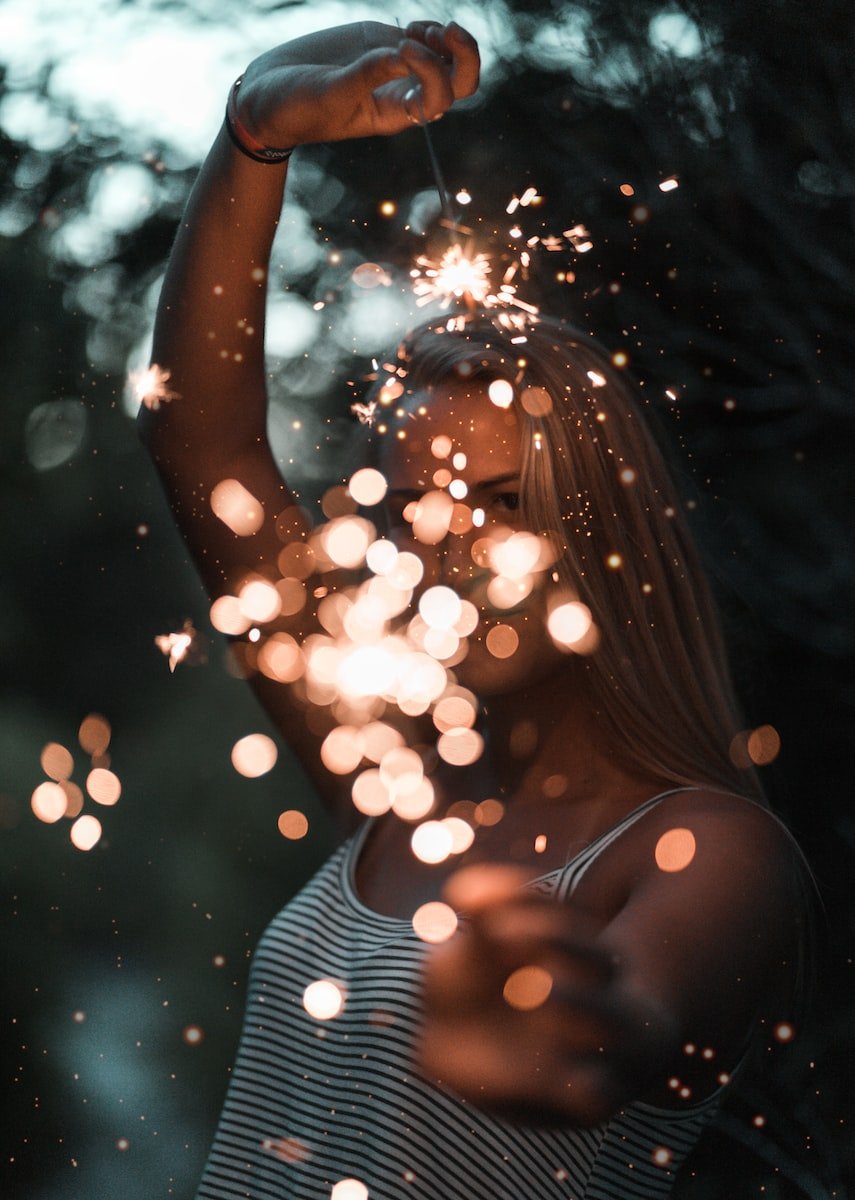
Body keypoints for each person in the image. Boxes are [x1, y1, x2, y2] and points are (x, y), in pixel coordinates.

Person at [138, 19, 812, 1199]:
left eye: (497, 502)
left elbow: (623, 1028)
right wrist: (253, 132)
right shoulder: (395, 778)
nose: (437, 550)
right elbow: (202, 437)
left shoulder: (709, 850)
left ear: (607, 542)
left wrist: (549, 1026)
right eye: (406, 512)